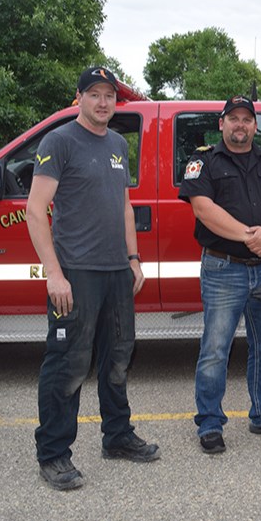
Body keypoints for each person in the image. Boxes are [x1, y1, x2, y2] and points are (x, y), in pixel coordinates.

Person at [27, 66, 159, 491]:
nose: (104, 102)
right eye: (95, 94)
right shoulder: (59, 141)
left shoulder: (119, 143)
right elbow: (35, 210)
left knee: (118, 358)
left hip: (117, 272)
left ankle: (117, 436)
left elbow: (123, 207)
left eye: (110, 96)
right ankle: (54, 454)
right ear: (79, 98)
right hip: (76, 274)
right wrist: (54, 274)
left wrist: (134, 258)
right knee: (68, 364)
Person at [179, 95, 261, 455]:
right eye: (234, 119)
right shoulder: (204, 161)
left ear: (254, 125)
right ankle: (210, 423)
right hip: (222, 268)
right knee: (215, 349)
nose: (241, 125)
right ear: (222, 124)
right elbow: (203, 208)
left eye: (248, 119)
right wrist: (252, 236)